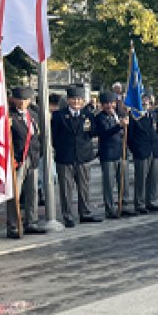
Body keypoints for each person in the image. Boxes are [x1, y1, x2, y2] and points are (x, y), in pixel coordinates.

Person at [52, 85, 102, 226]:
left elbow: (93, 134)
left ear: (83, 101)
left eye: (79, 99)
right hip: (65, 156)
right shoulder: (59, 116)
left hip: (83, 156)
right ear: (68, 100)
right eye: (73, 99)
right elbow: (54, 137)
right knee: (66, 189)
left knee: (84, 187)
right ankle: (67, 216)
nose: (76, 102)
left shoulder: (88, 115)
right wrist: (61, 149)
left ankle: (85, 213)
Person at [6, 87, 45, 237]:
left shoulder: (33, 115)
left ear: (29, 101)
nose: (22, 103)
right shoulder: (10, 116)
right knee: (15, 193)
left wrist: (37, 154)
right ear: (14, 100)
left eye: (25, 100)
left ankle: (31, 222)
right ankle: (13, 225)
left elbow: (37, 137)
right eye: (19, 100)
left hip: (32, 158)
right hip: (17, 159)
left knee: (32, 192)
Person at [93, 92, 129, 218]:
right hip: (108, 154)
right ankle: (110, 208)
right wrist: (119, 126)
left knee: (123, 181)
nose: (110, 106)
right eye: (107, 104)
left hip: (121, 152)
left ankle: (123, 205)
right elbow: (104, 133)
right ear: (102, 105)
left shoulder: (119, 115)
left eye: (112, 103)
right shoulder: (99, 118)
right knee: (109, 183)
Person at [127, 93, 158, 213]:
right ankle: (139, 203)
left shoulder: (153, 115)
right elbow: (129, 138)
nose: (146, 105)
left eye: (148, 103)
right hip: (141, 151)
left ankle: (151, 201)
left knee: (153, 178)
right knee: (141, 179)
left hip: (154, 150)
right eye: (144, 103)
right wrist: (135, 150)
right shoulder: (134, 116)